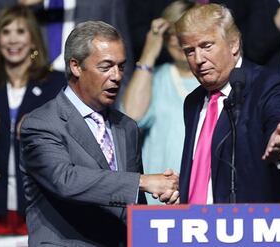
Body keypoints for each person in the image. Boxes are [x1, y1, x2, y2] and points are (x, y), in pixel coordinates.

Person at [20, 21, 179, 247]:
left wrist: (166, 193)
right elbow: (65, 179)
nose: (116, 76)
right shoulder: (42, 124)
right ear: (76, 66)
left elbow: (134, 205)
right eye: (106, 67)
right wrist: (143, 182)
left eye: (121, 66)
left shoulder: (127, 127)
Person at [175, 3, 280, 204]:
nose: (198, 59)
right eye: (189, 51)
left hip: (260, 226)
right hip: (197, 228)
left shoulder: (270, 85)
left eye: (206, 46)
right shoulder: (193, 102)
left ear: (233, 44)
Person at [0, 5, 66, 235]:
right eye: (5, 32)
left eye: (20, 31)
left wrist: (39, 130)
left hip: (41, 206)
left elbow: (68, 149)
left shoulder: (55, 84)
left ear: (33, 38)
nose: (12, 40)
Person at [123, 0, 199, 204]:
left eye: (182, 32)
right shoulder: (155, 78)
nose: (176, 41)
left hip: (202, 200)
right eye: (170, 34)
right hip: (158, 199)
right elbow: (131, 116)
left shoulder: (213, 82)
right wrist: (149, 53)